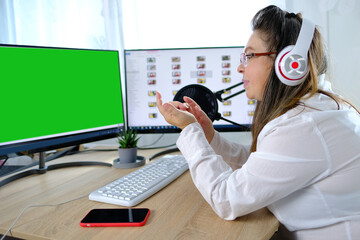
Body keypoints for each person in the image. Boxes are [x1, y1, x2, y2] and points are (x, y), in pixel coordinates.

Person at [156, 5, 360, 240]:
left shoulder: (306, 127)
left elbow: (226, 199)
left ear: (289, 63)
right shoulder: (313, 112)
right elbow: (262, 165)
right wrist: (208, 135)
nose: (240, 66)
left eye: (250, 55)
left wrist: (190, 130)